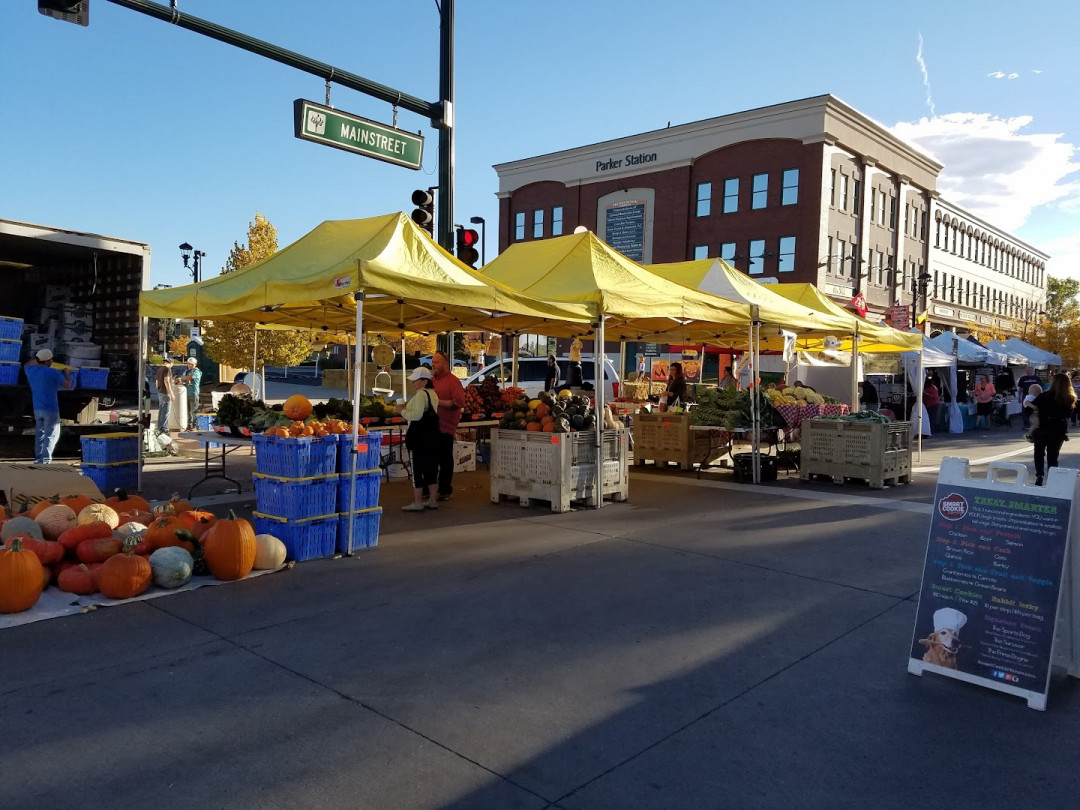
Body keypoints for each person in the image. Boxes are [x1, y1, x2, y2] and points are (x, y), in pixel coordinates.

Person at [398, 367, 440, 511]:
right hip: (432, 436)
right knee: (431, 467)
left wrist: (402, 410)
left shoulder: (421, 394)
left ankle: (417, 502)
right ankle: (433, 500)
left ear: (424, 381)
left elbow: (416, 416)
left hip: (419, 437)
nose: (413, 383)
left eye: (416, 380)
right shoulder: (433, 394)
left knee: (417, 468)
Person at [23, 348, 72, 465]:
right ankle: (45, 460)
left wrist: (36, 359)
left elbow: (26, 365)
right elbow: (67, 385)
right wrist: (67, 374)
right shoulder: (53, 372)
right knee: (51, 435)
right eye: (50, 359)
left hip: (37, 408)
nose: (52, 361)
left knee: (40, 434)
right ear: (46, 361)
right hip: (51, 409)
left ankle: (38, 459)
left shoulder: (30, 371)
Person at [429, 351, 465, 502]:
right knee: (431, 458)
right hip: (432, 425)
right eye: (432, 362)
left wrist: (438, 402)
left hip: (446, 426)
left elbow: (459, 402)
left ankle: (444, 490)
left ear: (445, 364)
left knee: (444, 459)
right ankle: (429, 489)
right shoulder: (432, 381)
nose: (433, 365)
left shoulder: (453, 381)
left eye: (436, 362)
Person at [1031, 372, 1076, 486]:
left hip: (1042, 429)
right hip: (1058, 431)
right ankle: (1052, 479)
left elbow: (1029, 409)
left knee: (1039, 453)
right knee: (1053, 456)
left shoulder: (1043, 396)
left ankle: (1040, 475)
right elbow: (1068, 414)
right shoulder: (1069, 398)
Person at [179, 357, 202, 430]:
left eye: (192, 364)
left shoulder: (197, 371)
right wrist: (182, 380)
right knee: (187, 411)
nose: (190, 366)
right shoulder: (186, 371)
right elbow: (184, 378)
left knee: (194, 410)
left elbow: (191, 377)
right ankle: (189, 425)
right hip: (186, 394)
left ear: (195, 364)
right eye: (189, 364)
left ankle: (195, 425)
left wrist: (183, 378)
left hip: (193, 393)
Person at [156, 358, 176, 433]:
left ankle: (160, 427)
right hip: (166, 393)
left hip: (160, 392)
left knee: (161, 410)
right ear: (171, 363)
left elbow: (157, 382)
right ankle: (163, 428)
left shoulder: (160, 369)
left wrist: (159, 389)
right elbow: (166, 381)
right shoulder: (168, 370)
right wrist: (171, 394)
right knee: (166, 411)